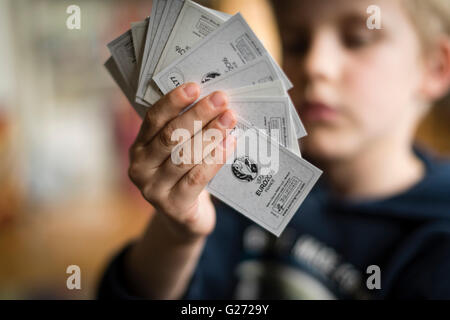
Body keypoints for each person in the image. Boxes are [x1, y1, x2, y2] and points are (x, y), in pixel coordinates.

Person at [98, 0, 450, 299]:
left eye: (357, 40)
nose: (315, 65)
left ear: (436, 67)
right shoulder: (239, 181)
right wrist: (177, 233)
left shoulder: (438, 236)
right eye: (295, 43)